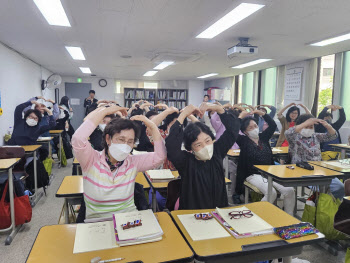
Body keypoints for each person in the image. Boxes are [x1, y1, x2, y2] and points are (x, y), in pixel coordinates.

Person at [72, 105, 166, 219]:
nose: (125, 145)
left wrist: (152, 125)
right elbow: (77, 139)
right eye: (121, 140)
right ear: (108, 139)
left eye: (130, 141)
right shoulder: (91, 159)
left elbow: (160, 157)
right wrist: (104, 111)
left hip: (128, 220)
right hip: (97, 223)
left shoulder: (132, 162)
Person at [165, 103, 240, 209]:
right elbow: (172, 146)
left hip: (218, 213)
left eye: (207, 141)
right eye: (198, 145)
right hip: (192, 216)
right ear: (190, 148)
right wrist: (182, 116)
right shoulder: (186, 161)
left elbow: (233, 131)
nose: (205, 147)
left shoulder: (216, 153)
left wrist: (219, 109)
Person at [235, 110, 295, 215]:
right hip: (253, 174)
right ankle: (255, 216)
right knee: (271, 193)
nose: (254, 129)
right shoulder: (243, 140)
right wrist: (240, 117)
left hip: (269, 173)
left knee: (289, 190)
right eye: (250, 127)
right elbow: (233, 130)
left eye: (255, 126)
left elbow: (272, 125)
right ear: (245, 131)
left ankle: (288, 218)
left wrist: (263, 114)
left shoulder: (263, 137)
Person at [285, 114, 344, 200]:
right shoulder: (295, 137)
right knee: (323, 189)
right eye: (306, 126)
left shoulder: (316, 136)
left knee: (340, 187)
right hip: (302, 171)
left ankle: (326, 205)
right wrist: (306, 123)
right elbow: (288, 132)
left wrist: (328, 126)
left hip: (319, 170)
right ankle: (319, 204)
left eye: (311, 126)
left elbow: (333, 135)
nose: (309, 129)